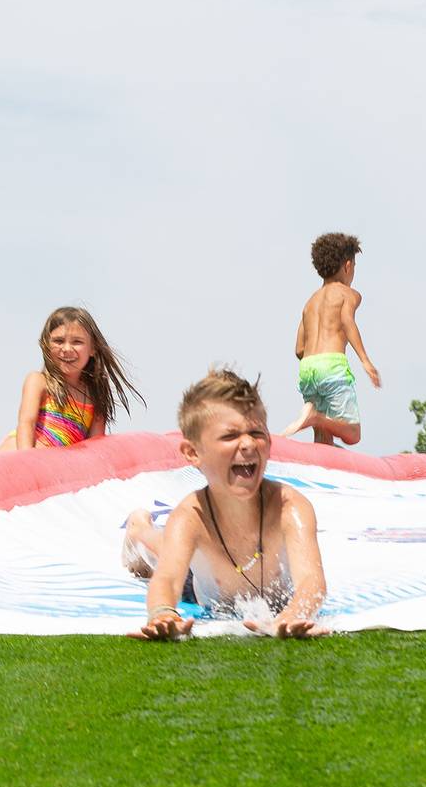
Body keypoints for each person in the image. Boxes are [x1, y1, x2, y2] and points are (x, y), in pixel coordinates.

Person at [127, 368, 328, 640]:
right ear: (193, 452)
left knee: (177, 545)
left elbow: (311, 580)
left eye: (256, 432)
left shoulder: (290, 507)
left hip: (252, 590)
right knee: (164, 549)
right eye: (230, 436)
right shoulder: (191, 516)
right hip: (201, 587)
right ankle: (138, 528)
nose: (247, 444)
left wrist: (296, 613)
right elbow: (168, 579)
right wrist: (163, 614)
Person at [0, 306, 143, 452]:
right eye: (58, 341)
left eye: (77, 342)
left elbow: (94, 448)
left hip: (55, 462)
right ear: (46, 345)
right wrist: (27, 460)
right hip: (19, 453)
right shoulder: (39, 382)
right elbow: (27, 423)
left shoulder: (95, 396)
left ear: (93, 348)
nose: (66, 349)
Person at [283, 232, 381, 446]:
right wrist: (365, 360)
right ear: (348, 266)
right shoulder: (348, 293)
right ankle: (315, 417)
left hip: (307, 369)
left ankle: (315, 418)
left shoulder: (310, 303)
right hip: (332, 367)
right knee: (353, 434)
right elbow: (347, 320)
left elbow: (299, 349)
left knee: (323, 440)